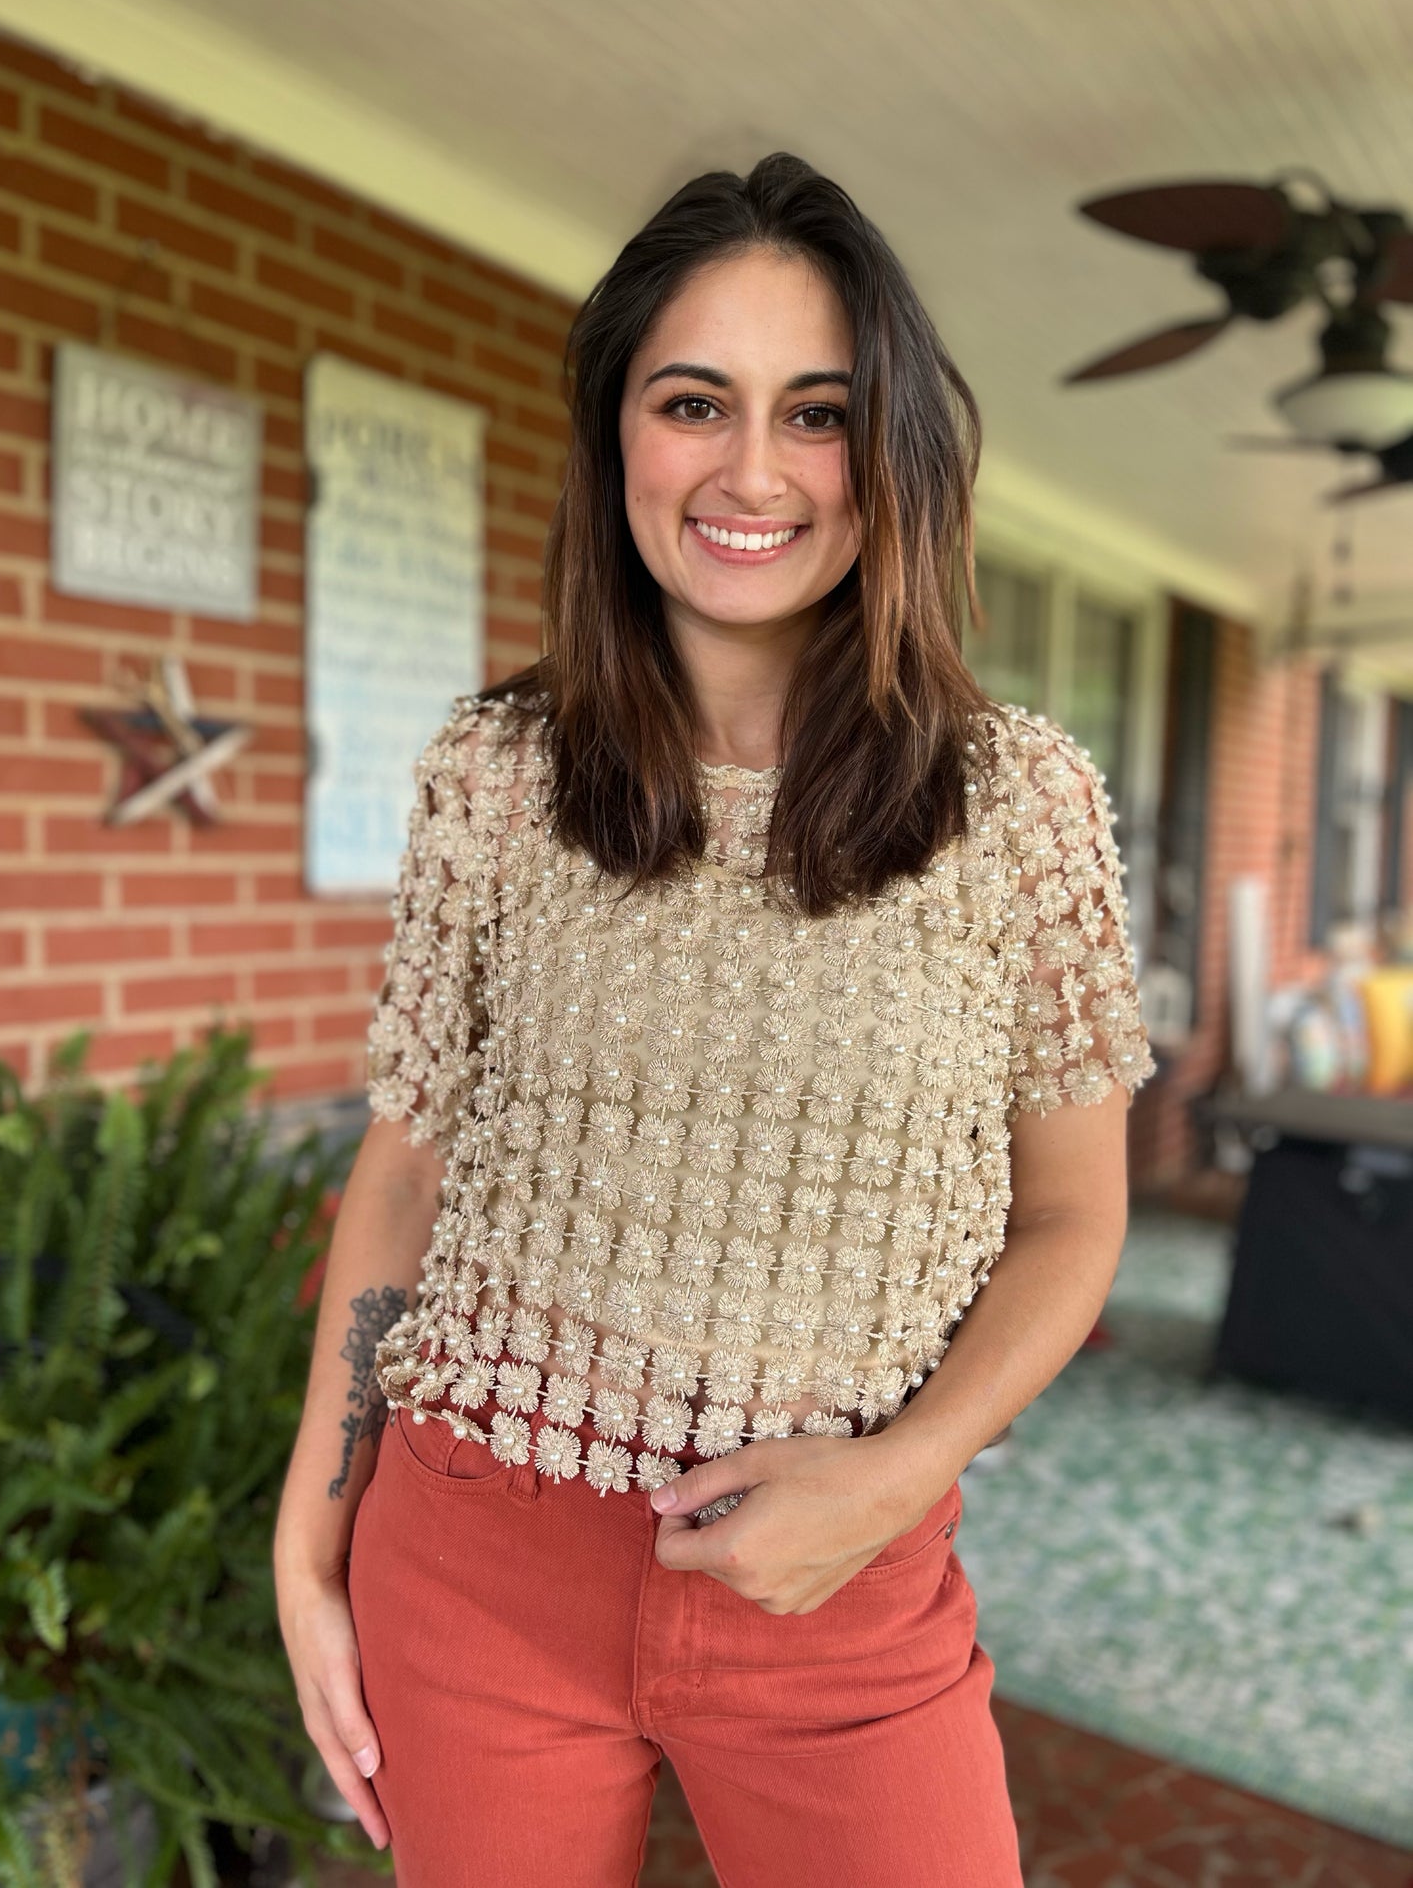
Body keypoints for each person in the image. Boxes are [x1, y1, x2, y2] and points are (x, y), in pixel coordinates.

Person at [274, 151, 1156, 1887]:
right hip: (473, 1560)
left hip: (848, 1591)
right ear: (619, 435)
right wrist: (314, 1533)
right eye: (695, 402)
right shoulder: (495, 777)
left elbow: (1073, 1213)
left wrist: (898, 1473)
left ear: (887, 454)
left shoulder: (1020, 806)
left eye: (816, 414)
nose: (751, 472)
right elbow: (407, 1167)